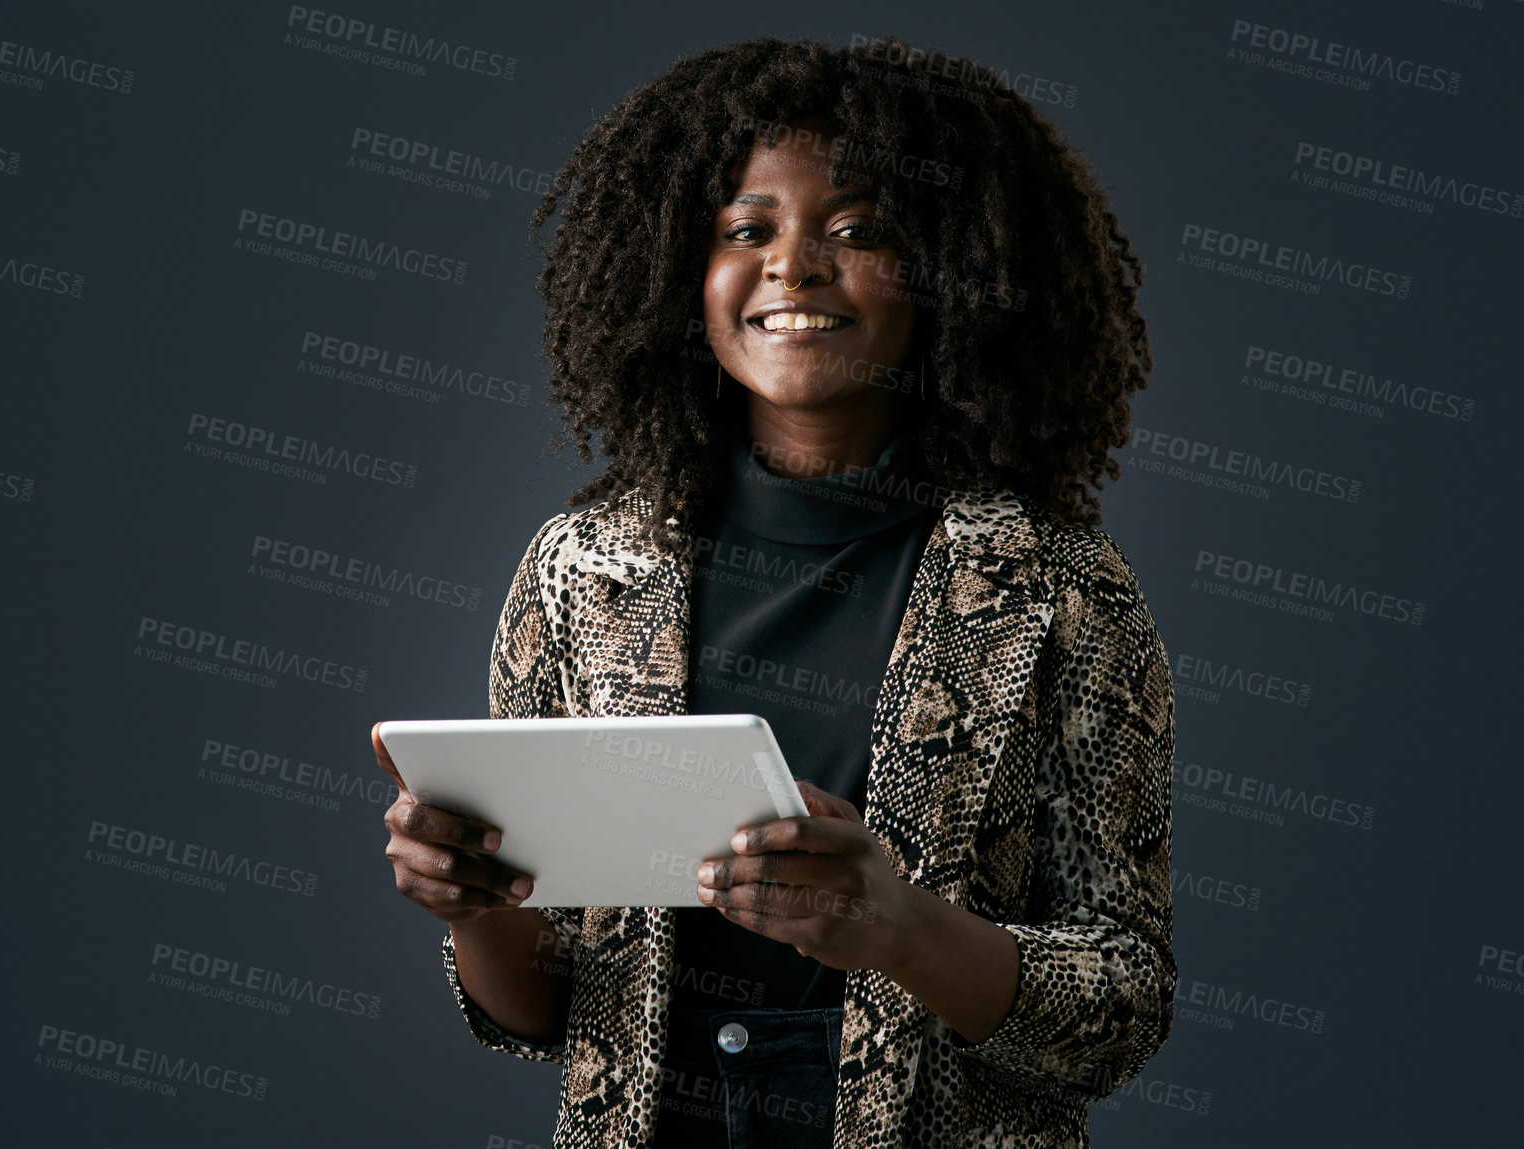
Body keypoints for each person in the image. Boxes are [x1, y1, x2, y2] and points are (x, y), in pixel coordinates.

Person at [375, 34, 1175, 1149]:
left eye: (857, 232)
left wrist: (898, 929)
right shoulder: (583, 569)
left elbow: (1125, 1004)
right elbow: (545, 1012)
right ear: (679, 276)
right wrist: (470, 908)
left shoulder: (1057, 590)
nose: (791, 266)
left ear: (952, 272)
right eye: (746, 229)